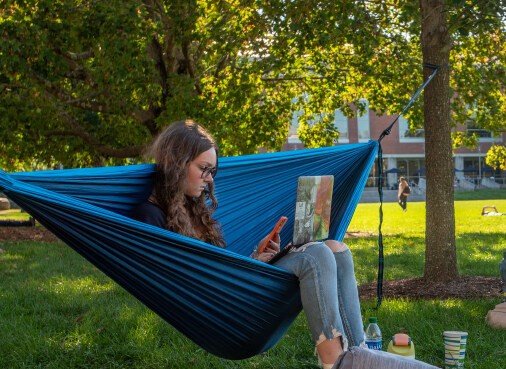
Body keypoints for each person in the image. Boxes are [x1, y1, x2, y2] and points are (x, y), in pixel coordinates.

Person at [131, 120, 437, 369]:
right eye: (204, 169)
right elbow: (191, 283)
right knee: (315, 255)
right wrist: (249, 269)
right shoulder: (150, 216)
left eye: (213, 171)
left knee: (334, 248)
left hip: (236, 289)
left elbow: (218, 266)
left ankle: (356, 352)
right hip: (222, 313)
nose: (210, 180)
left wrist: (255, 258)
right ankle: (336, 359)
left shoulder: (194, 207)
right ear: (177, 163)